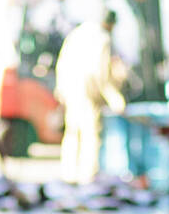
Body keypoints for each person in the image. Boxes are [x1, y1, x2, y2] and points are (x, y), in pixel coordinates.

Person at [54, 10, 126, 184]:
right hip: (87, 92)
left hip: (70, 88)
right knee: (90, 134)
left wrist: (61, 90)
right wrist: (115, 98)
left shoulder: (76, 33)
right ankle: (87, 177)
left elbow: (61, 63)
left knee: (72, 132)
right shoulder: (102, 38)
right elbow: (100, 73)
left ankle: (69, 174)